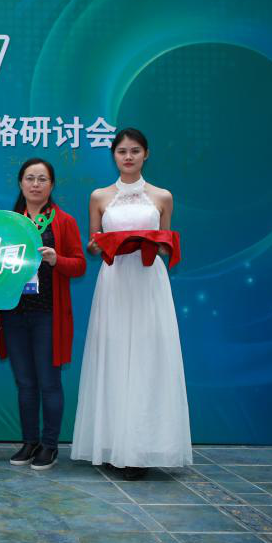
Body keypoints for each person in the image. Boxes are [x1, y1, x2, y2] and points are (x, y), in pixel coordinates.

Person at [71, 128, 192, 480]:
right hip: (114, 279)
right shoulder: (99, 196)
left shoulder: (162, 196)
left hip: (148, 280)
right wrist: (102, 244)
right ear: (113, 155)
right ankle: (112, 445)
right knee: (112, 356)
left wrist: (155, 242)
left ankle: (142, 448)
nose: (128, 157)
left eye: (135, 151)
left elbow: (167, 245)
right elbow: (93, 244)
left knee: (148, 358)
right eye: (122, 151)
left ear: (146, 154)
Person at [0, 158, 86, 471]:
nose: (35, 185)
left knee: (49, 382)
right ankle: (29, 441)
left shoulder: (64, 221)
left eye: (42, 179)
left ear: (51, 185)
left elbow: (79, 265)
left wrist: (56, 259)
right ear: (20, 183)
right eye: (30, 178)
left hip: (48, 314)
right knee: (25, 383)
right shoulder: (9, 222)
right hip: (14, 313)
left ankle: (49, 445)